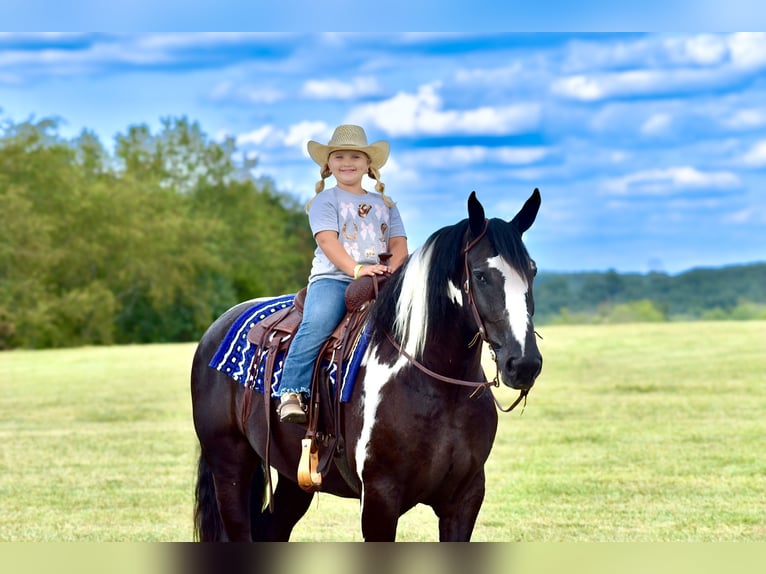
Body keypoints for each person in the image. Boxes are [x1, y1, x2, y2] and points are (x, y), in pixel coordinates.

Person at [278, 124, 408, 423]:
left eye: (355, 157)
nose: (347, 163)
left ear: (368, 165)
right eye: (338, 157)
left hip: (382, 277)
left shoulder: (386, 204)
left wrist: (395, 270)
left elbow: (399, 242)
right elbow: (328, 241)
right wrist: (358, 269)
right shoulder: (325, 201)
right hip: (335, 279)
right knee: (318, 322)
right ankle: (291, 391)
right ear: (328, 165)